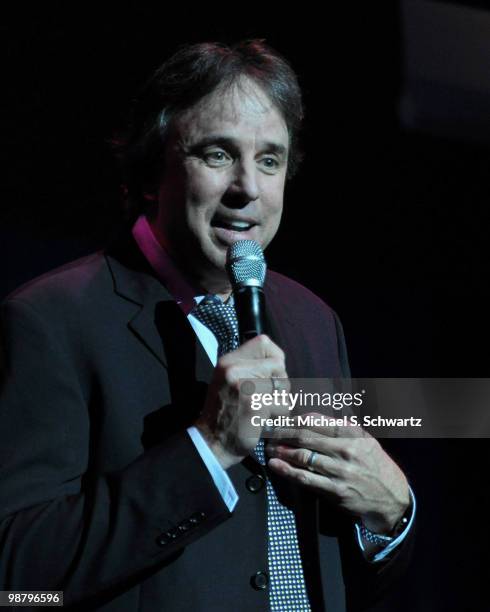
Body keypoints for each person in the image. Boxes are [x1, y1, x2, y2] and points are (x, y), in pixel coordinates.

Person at [0, 40, 414, 611]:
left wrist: (389, 517)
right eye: (219, 154)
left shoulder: (314, 322)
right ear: (151, 174)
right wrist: (210, 446)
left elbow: (339, 573)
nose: (248, 187)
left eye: (269, 161)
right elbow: (16, 578)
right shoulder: (51, 320)